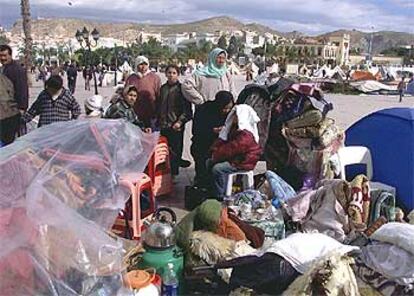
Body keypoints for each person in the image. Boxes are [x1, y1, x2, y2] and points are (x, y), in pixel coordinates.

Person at [208, 104, 262, 199]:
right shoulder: (235, 128)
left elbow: (232, 149)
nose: (234, 117)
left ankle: (221, 196)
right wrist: (214, 149)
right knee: (209, 162)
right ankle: (213, 190)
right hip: (236, 158)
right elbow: (224, 141)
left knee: (218, 169)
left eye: (236, 115)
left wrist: (216, 155)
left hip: (243, 162)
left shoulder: (246, 134)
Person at [191, 90, 235, 186]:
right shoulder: (204, 110)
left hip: (220, 145)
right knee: (202, 162)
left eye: (229, 108)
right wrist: (212, 130)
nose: (226, 111)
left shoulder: (231, 113)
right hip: (203, 143)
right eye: (225, 108)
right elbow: (196, 130)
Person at [156, 64, 192, 175]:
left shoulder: (181, 89)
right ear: (166, 74)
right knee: (164, 151)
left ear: (178, 75)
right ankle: (165, 173)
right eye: (169, 73)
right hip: (164, 125)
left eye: (174, 73)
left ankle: (174, 173)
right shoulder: (163, 89)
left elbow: (187, 110)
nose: (171, 75)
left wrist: (180, 122)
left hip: (176, 126)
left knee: (176, 151)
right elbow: (158, 106)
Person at [0, 44, 29, 145]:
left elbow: (22, 90)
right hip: (4, 112)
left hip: (13, 112)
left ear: (10, 55)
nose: (2, 58)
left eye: (5, 55)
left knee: (11, 141)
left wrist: (22, 108)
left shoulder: (17, 70)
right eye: (0, 56)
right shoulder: (4, 69)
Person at [125, 55, 161, 129]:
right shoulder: (131, 78)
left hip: (151, 113)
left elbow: (159, 96)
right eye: (141, 64)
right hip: (134, 114)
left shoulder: (155, 78)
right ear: (137, 65)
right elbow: (126, 93)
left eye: (145, 64)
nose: (143, 67)